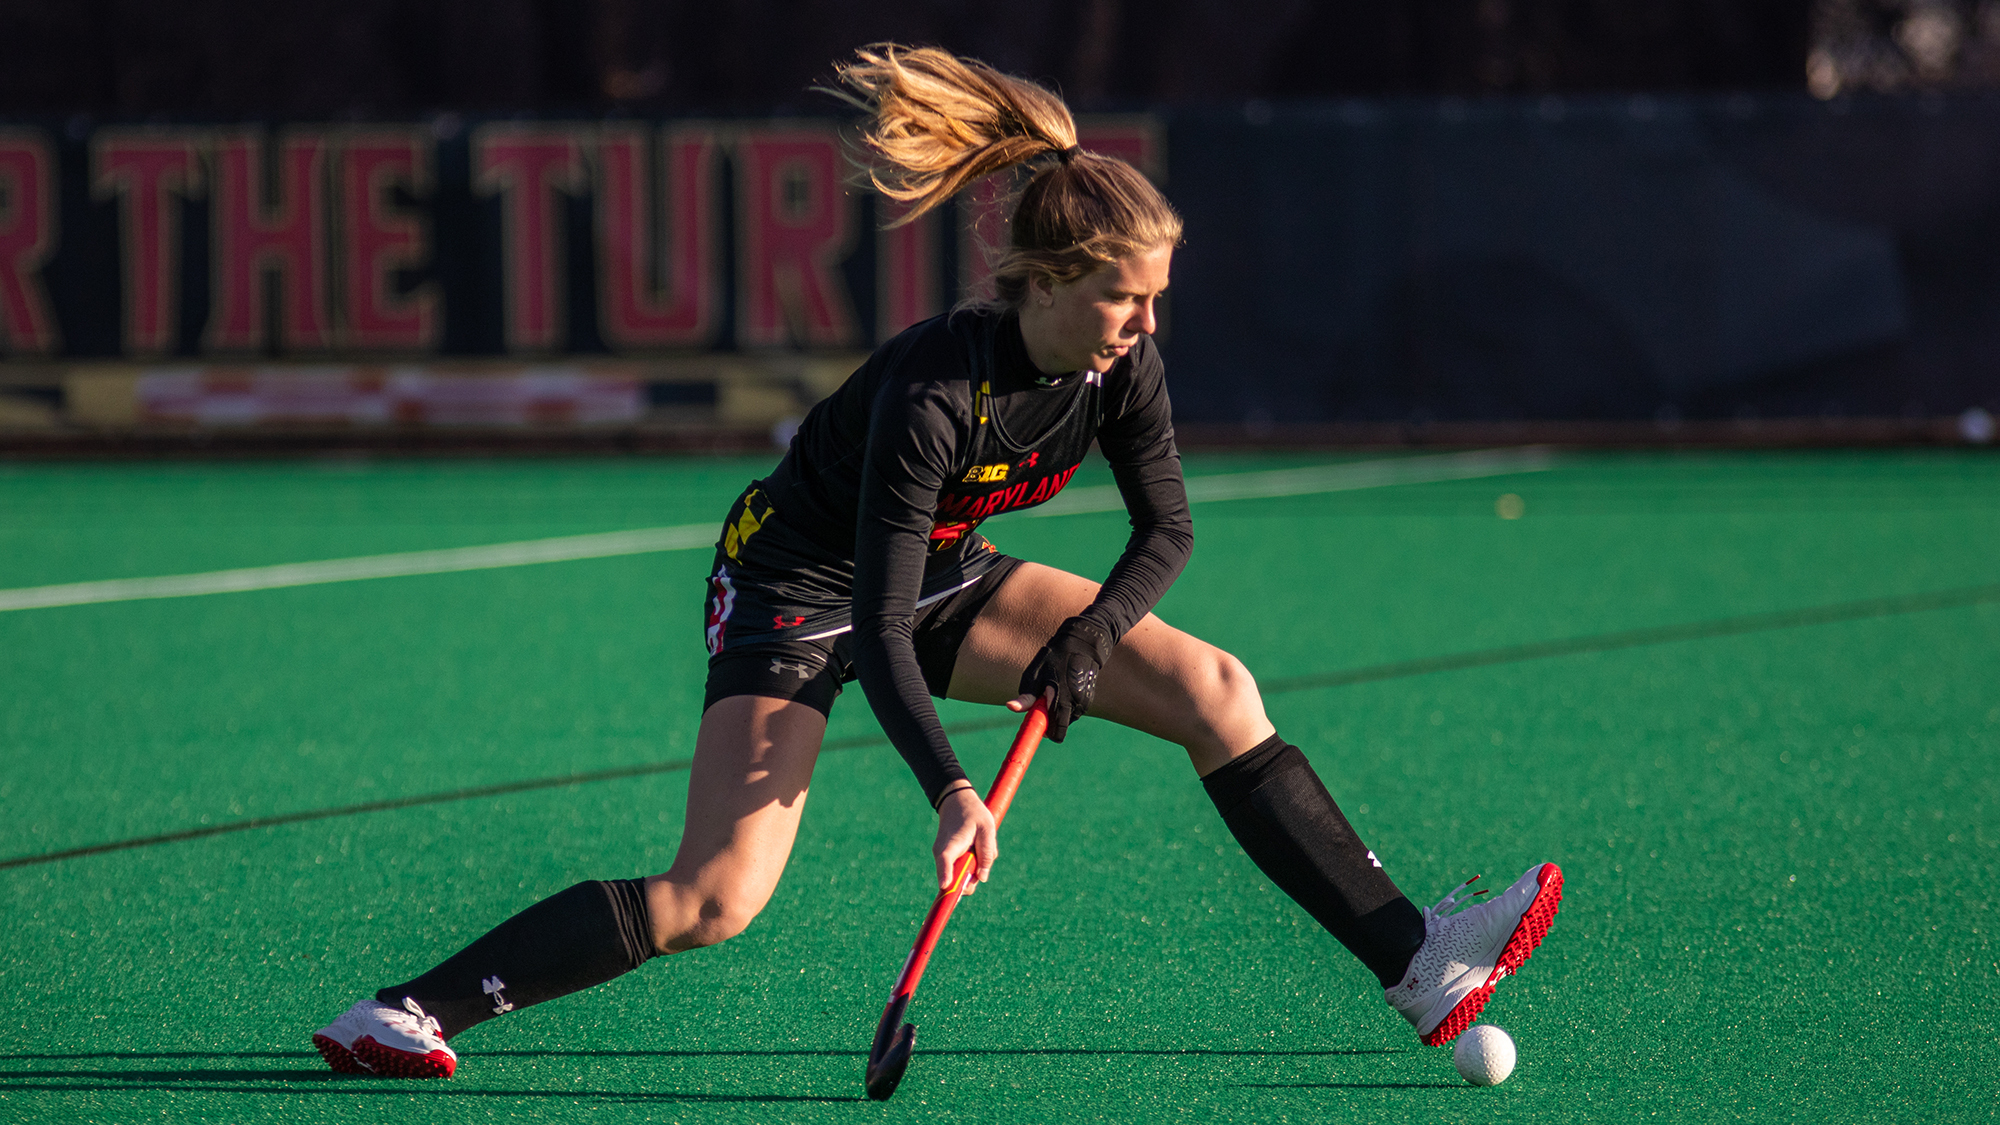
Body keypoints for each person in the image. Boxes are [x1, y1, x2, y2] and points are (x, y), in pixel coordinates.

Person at [310, 45, 1562, 1080]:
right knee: (714, 899)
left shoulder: (1117, 367)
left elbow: (1165, 530)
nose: (1146, 325)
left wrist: (1088, 637)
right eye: (1126, 298)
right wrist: (953, 792)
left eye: (1156, 300)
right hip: (796, 592)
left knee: (1213, 690)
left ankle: (1417, 963)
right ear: (1054, 282)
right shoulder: (934, 391)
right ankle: (412, 1010)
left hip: (948, 570)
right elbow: (873, 616)